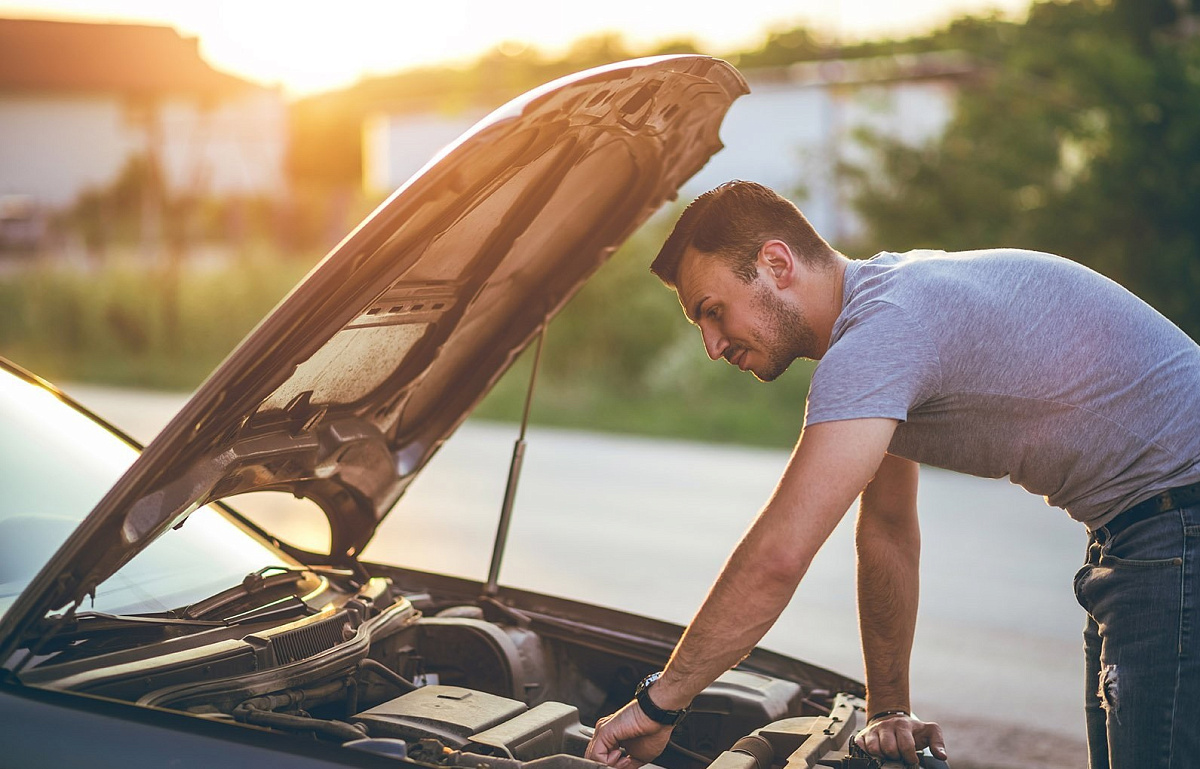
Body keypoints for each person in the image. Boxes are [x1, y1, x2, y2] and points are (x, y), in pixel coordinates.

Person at [582, 180, 1200, 769]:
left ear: (776, 263)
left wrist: (660, 702)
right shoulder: (886, 309)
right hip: (1151, 530)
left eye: (713, 312)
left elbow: (780, 555)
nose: (713, 346)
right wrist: (888, 708)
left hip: (1178, 527)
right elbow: (886, 527)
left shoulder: (879, 335)